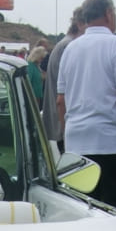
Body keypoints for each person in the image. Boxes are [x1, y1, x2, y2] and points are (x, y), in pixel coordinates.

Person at [56, 0, 116, 212]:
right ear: (109, 14)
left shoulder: (71, 48)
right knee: (112, 210)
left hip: (76, 141)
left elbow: (61, 100)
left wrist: (65, 134)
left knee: (79, 209)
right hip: (109, 141)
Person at [41, 13, 82, 150]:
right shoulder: (69, 46)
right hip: (62, 126)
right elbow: (66, 93)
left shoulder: (63, 45)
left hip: (58, 124)